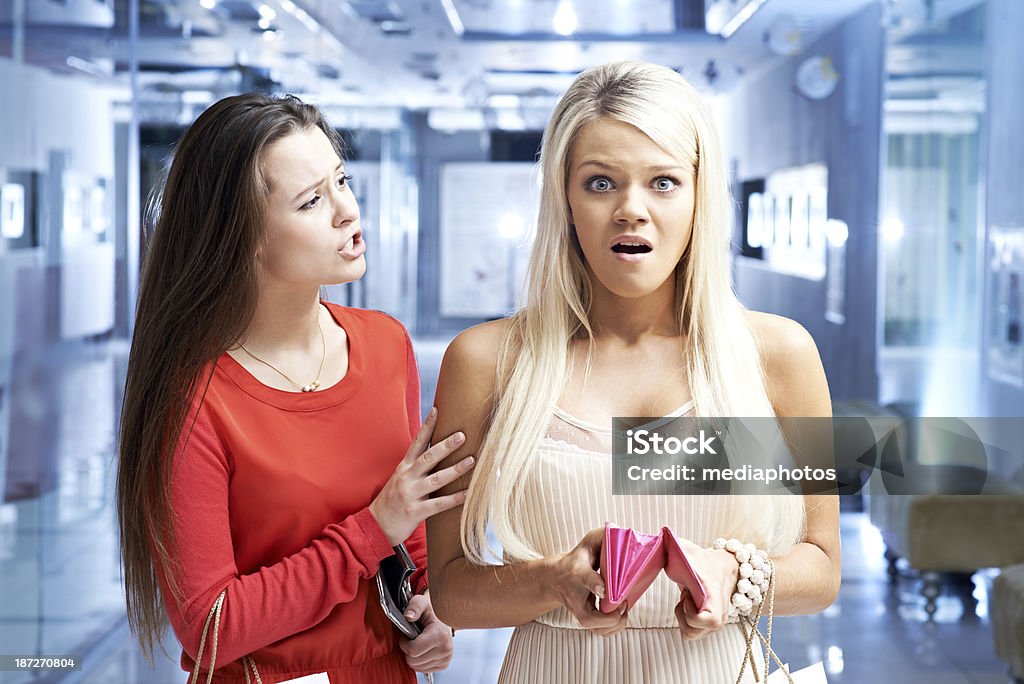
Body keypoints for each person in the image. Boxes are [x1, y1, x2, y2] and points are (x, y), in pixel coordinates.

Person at [426, 61, 840, 682]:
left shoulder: (780, 355)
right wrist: (551, 581)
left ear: (700, 195)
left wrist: (737, 574)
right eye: (600, 183)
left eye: (664, 182)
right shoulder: (485, 361)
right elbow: (452, 587)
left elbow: (824, 567)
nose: (631, 210)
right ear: (563, 198)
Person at [116, 93, 473, 683]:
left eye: (342, 181)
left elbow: (410, 524)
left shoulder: (387, 345)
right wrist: (368, 532)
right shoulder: (195, 401)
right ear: (243, 236)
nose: (348, 211)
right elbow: (210, 628)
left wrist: (435, 611)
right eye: (311, 201)